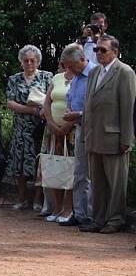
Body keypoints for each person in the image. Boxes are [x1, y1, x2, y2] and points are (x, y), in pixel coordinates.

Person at [80, 35, 136, 233]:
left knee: (116, 182)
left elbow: (128, 108)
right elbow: (89, 105)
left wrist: (126, 139)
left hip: (114, 137)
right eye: (96, 50)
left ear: (115, 51)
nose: (98, 53)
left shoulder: (125, 72)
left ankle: (115, 219)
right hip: (95, 137)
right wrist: (86, 134)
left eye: (103, 50)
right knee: (98, 182)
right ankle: (99, 219)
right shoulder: (95, 72)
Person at [5, 45, 53, 210]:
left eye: (32, 60)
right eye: (26, 60)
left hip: (39, 127)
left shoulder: (47, 77)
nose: (29, 63)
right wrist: (31, 110)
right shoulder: (14, 79)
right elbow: (10, 102)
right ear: (21, 62)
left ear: (38, 61)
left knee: (40, 162)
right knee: (19, 163)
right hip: (20, 127)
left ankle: (38, 200)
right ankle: (21, 198)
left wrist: (41, 111)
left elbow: (51, 100)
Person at [60, 44, 95, 228]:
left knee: (89, 172)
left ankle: (89, 214)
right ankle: (79, 212)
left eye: (72, 66)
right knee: (79, 172)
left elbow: (98, 105)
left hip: (93, 128)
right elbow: (72, 96)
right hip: (79, 126)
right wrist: (69, 108)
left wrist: (79, 114)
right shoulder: (77, 76)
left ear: (82, 60)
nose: (69, 70)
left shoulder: (95, 74)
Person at [41, 60, 75, 223]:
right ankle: (57, 207)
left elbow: (81, 105)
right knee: (54, 166)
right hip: (53, 131)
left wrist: (66, 127)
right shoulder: (57, 78)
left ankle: (68, 209)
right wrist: (51, 123)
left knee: (70, 169)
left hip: (72, 131)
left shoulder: (82, 78)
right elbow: (47, 102)